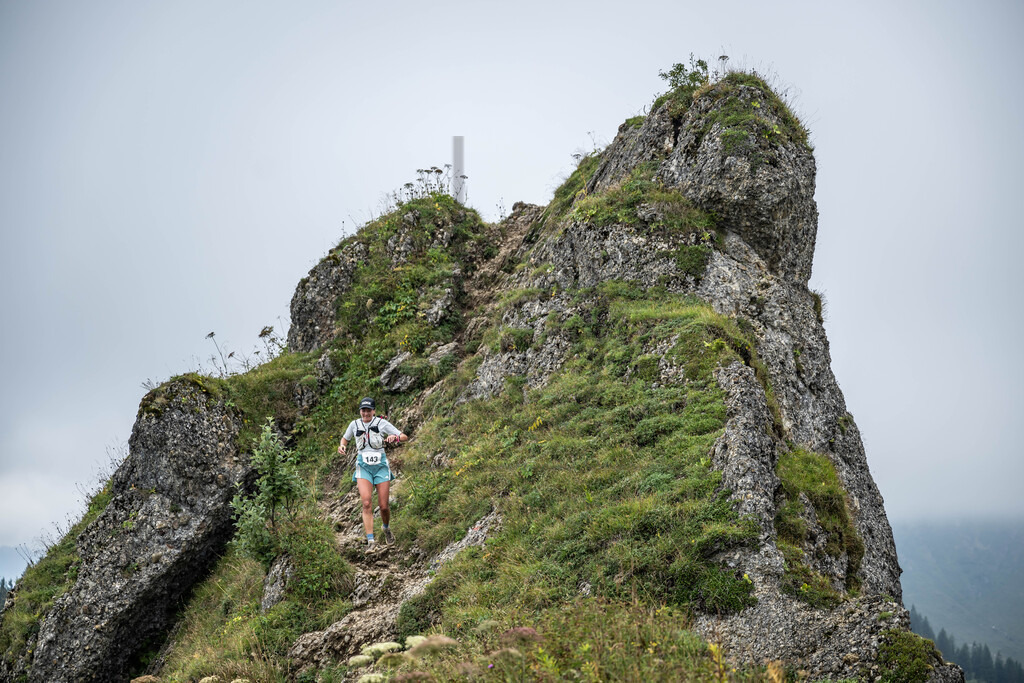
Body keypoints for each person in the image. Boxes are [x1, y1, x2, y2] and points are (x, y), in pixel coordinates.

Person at [339, 397, 407, 552]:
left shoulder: (381, 423)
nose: (366, 413)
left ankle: (386, 527)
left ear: (374, 411)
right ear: (360, 411)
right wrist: (342, 446)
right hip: (363, 467)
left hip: (381, 466)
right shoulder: (354, 424)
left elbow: (404, 436)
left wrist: (394, 437)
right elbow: (345, 439)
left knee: (383, 506)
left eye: (369, 410)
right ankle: (371, 542)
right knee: (367, 503)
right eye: (363, 410)